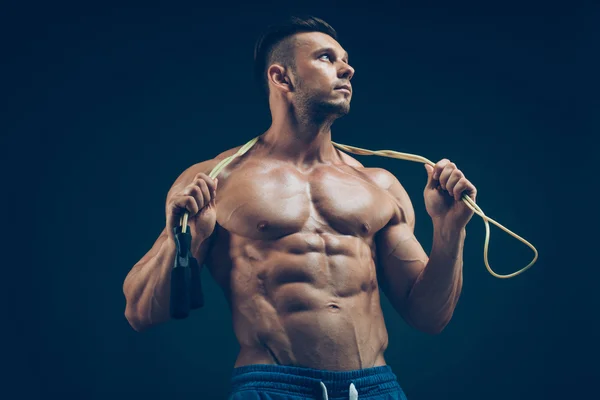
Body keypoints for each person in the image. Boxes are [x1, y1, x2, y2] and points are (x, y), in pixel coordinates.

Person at [123, 15, 477, 400]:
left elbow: (429, 316)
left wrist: (448, 230)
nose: (347, 69)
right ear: (282, 77)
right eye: (326, 58)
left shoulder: (379, 185)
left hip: (375, 388)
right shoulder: (215, 180)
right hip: (273, 388)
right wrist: (183, 239)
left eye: (345, 59)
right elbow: (140, 313)